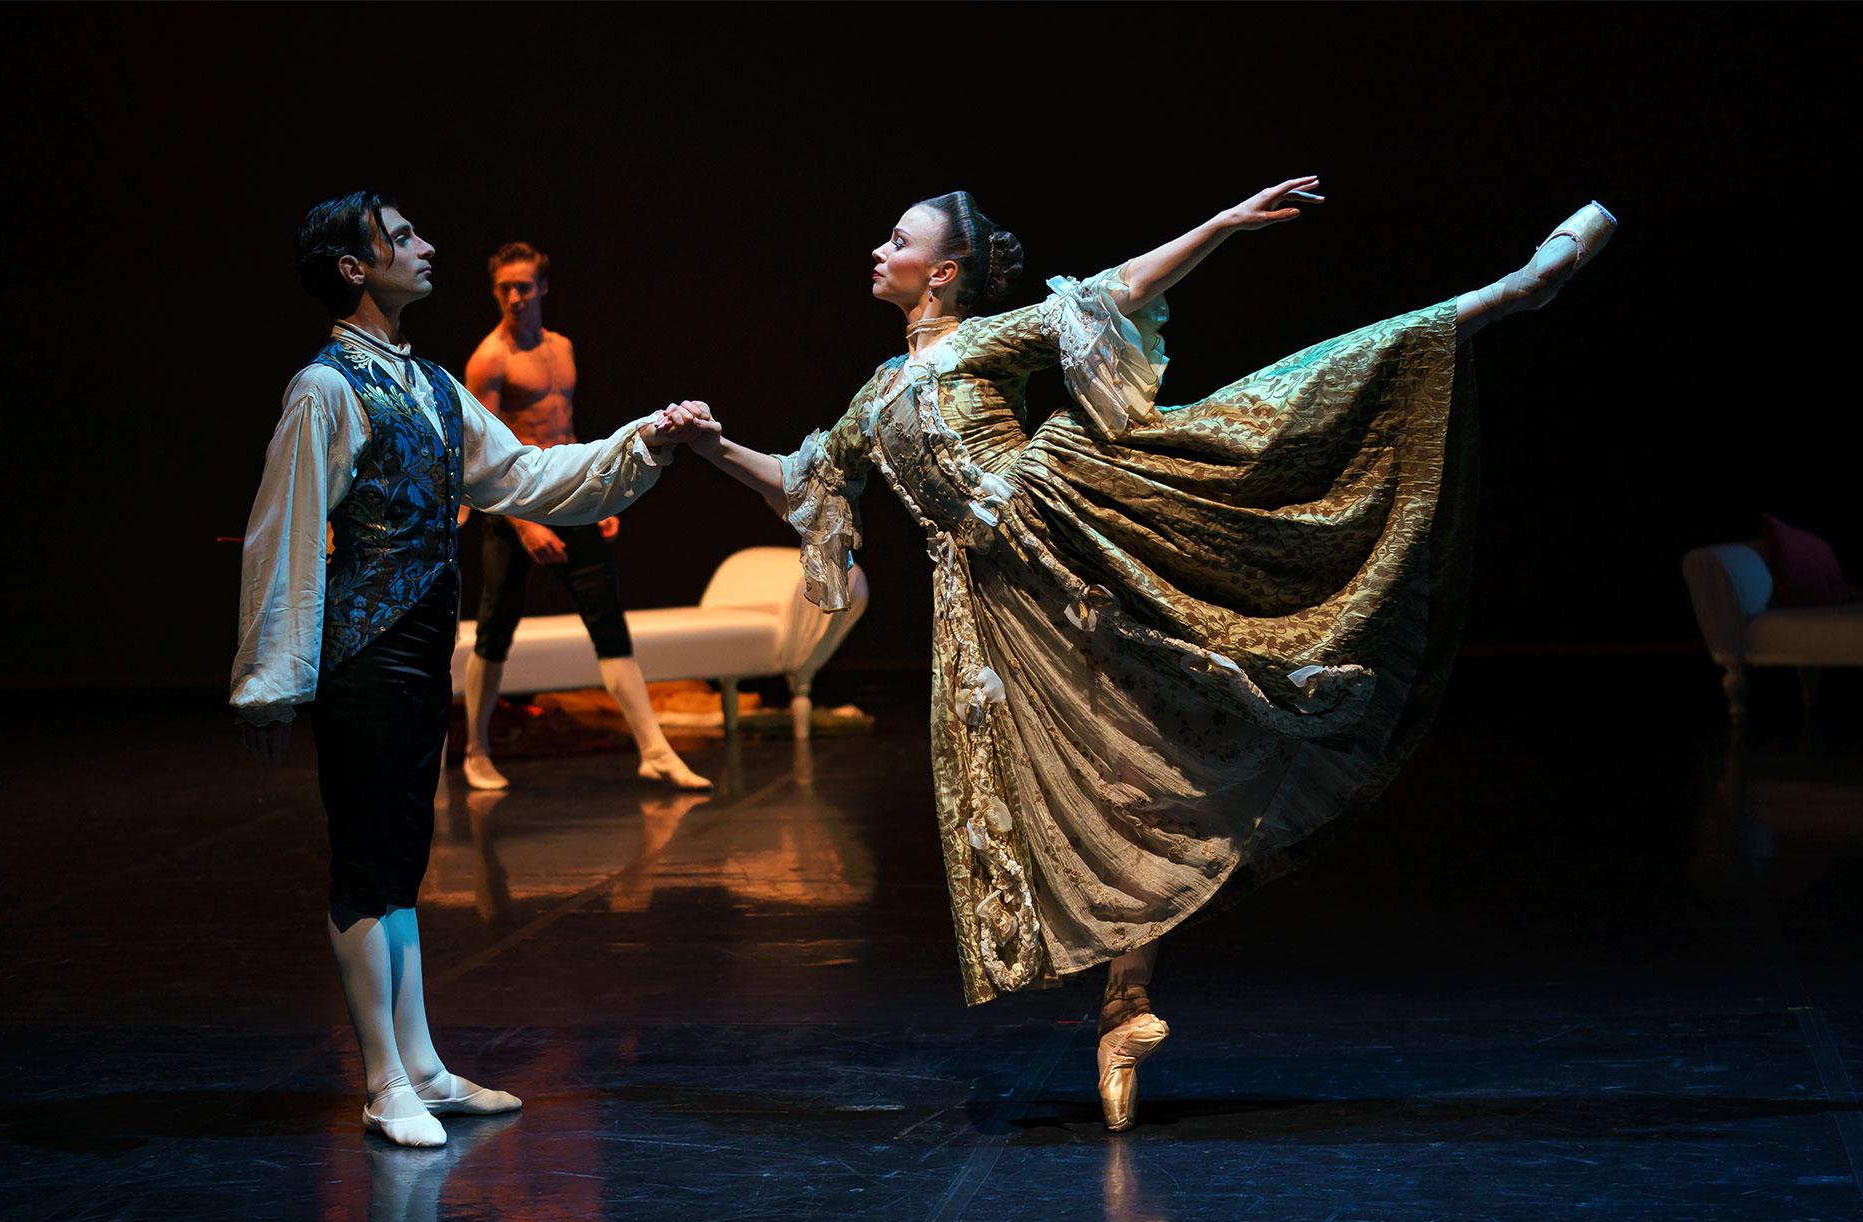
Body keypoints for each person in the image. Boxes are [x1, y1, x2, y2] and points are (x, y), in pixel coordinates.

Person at [682, 180, 1616, 1130]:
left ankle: (1510, 292)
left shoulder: (983, 341)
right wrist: (710, 445)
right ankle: (1124, 1008)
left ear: (943, 273)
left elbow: (1115, 291)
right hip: (994, 608)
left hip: (1072, 527)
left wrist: (1218, 225)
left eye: (898, 239)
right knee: (1105, 773)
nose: (878, 251)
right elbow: (802, 481)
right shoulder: (877, 393)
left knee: (1273, 414)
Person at [231, 192, 714, 1147]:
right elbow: (282, 537)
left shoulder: (429, 383)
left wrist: (639, 444)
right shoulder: (327, 389)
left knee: (403, 866)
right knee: (369, 867)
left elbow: (527, 478)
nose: (426, 245)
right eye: (402, 236)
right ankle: (381, 1081)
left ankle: (421, 1066)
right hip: (363, 655)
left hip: (418, 652)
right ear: (353, 269)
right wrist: (272, 682)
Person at [460, 242, 710, 792]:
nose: (514, 297)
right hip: (514, 507)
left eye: (524, 286)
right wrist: (526, 524)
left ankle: (654, 750)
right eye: (504, 288)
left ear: (543, 288)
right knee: (495, 625)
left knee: (607, 621)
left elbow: (568, 436)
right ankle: (476, 750)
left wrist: (600, 498)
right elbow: (479, 456)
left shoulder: (562, 349)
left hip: (571, 499)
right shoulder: (489, 360)